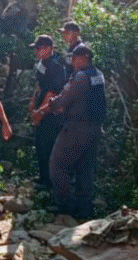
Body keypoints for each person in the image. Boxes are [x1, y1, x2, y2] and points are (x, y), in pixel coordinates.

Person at [34, 44, 106, 219]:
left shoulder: (81, 77)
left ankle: (65, 204)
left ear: (84, 58)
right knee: (85, 167)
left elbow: (64, 98)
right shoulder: (98, 75)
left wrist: (44, 109)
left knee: (57, 165)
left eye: (74, 58)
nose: (72, 61)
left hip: (77, 127)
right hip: (95, 127)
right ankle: (84, 207)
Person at [28, 34, 67, 191]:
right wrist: (33, 101)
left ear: (49, 49)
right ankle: (43, 177)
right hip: (41, 106)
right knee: (40, 145)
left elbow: (52, 92)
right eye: (36, 49)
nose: (37, 52)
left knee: (48, 145)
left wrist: (40, 112)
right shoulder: (41, 64)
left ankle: (51, 182)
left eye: (39, 48)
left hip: (52, 111)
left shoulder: (56, 67)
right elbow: (40, 85)